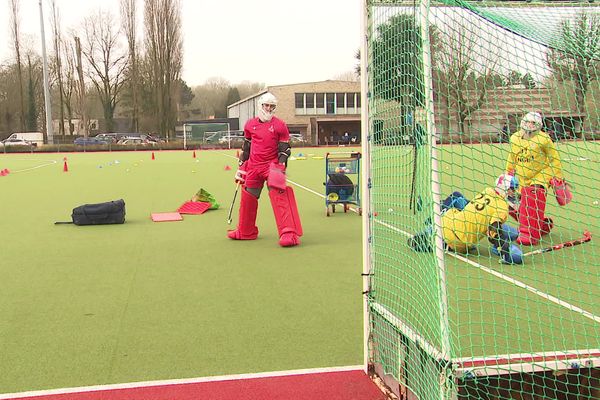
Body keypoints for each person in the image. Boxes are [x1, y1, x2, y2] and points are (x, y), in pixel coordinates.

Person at [227, 92, 303, 247]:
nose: (268, 109)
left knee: (279, 196)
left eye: (272, 106)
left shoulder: (280, 125)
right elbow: (246, 147)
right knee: (248, 197)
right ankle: (245, 231)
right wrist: (242, 165)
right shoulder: (250, 125)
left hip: (272, 166)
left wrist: (281, 165)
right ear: (260, 106)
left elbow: (284, 149)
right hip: (253, 167)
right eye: (266, 105)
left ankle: (289, 232)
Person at [409, 174, 523, 265]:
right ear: (505, 189)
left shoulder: (487, 191)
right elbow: (494, 228)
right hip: (461, 244)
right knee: (510, 234)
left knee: (453, 207)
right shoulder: (502, 207)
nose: (515, 193)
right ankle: (441, 243)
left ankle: (431, 232)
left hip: (448, 225)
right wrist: (504, 248)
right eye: (512, 189)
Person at [505, 111, 568, 246]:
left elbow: (554, 158)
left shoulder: (544, 139)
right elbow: (512, 157)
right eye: (527, 122)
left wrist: (558, 177)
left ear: (539, 125)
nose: (530, 125)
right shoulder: (515, 138)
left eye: (533, 123)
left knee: (533, 196)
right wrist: (508, 175)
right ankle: (540, 226)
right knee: (509, 203)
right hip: (523, 178)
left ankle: (528, 233)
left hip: (540, 175)